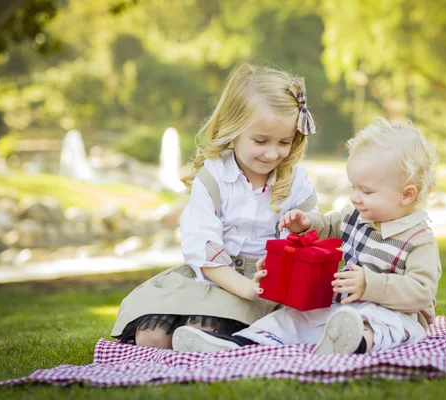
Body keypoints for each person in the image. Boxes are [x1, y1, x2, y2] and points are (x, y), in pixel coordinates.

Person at [171, 117, 442, 355]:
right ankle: (243, 343)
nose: (355, 198)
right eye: (354, 188)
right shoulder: (359, 217)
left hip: (397, 315)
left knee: (379, 324)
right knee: (293, 317)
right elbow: (328, 225)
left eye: (367, 191)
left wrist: (370, 285)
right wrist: (305, 222)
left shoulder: (417, 238)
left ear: (407, 194)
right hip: (345, 308)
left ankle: (356, 343)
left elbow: (421, 291)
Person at [110, 63, 319, 349]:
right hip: (215, 275)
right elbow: (202, 243)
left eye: (284, 142)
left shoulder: (296, 184)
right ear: (233, 131)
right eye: (261, 140)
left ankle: (219, 348)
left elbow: (305, 242)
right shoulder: (215, 177)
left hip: (266, 285)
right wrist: (243, 286)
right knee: (151, 337)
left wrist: (272, 271)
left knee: (202, 331)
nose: (273, 153)